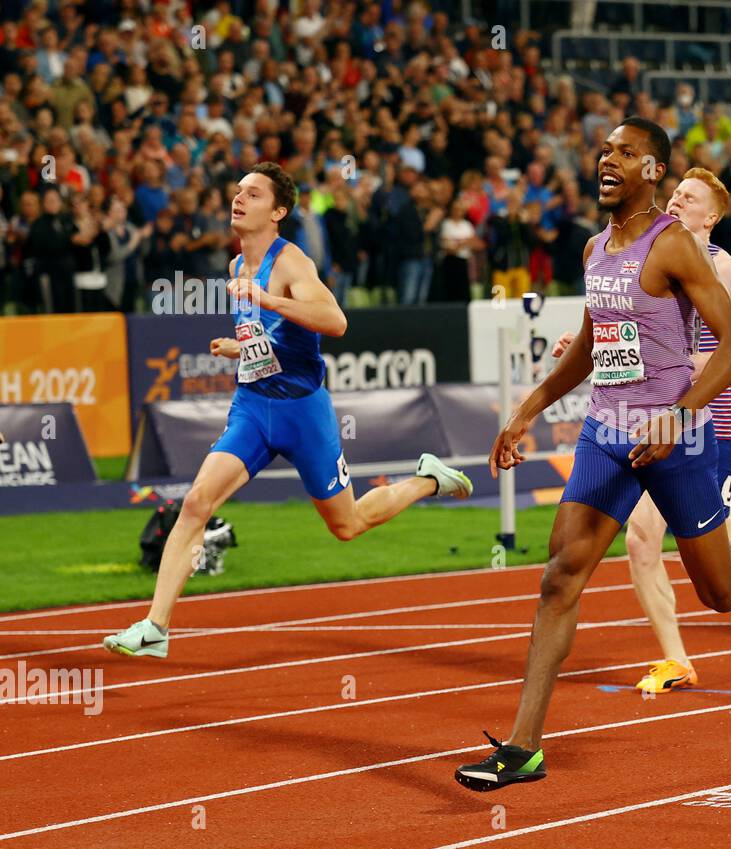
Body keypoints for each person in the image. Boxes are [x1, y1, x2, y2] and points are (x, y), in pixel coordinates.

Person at [454, 119, 731, 792]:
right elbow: (590, 344)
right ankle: (523, 746)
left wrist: (679, 415)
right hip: (607, 430)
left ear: (653, 170)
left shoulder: (677, 247)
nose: (607, 159)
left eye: (625, 152)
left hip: (679, 438)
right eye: (604, 149)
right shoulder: (596, 247)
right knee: (560, 574)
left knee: (720, 595)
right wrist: (527, 407)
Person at [103, 163, 472, 660]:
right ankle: (156, 627)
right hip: (253, 408)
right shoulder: (236, 267)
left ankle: (428, 479)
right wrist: (241, 348)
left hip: (303, 413)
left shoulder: (290, 262)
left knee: (347, 525)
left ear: (277, 212)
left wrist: (267, 297)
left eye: (252, 194)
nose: (239, 198)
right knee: (195, 504)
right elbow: (273, 337)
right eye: (237, 191)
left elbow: (334, 321)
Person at [551, 167, 731, 693]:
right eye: (676, 192)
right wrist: (584, 346)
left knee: (722, 569)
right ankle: (676, 658)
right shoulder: (646, 254)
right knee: (640, 540)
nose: (678, 200)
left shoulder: (726, 270)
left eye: (691, 198)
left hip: (712, 426)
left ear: (713, 216)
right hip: (651, 423)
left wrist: (699, 363)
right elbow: (623, 335)